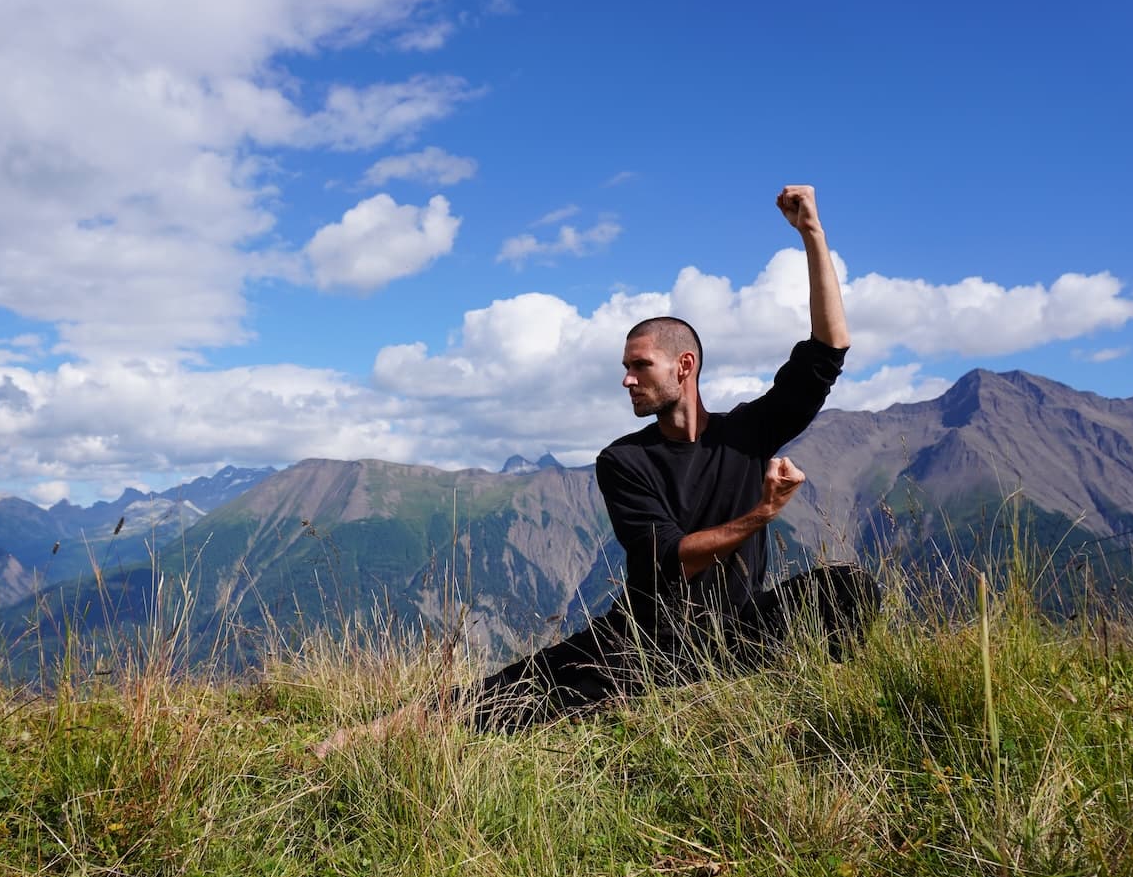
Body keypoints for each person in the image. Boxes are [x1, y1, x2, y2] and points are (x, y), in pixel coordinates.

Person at [314, 185, 879, 755]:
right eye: (625, 367)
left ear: (684, 366)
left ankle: (792, 700)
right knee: (503, 697)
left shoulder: (746, 433)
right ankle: (365, 735)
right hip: (644, 644)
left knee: (848, 588)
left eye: (640, 365)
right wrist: (763, 512)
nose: (627, 379)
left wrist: (812, 233)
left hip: (735, 632)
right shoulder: (624, 460)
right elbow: (672, 559)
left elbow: (827, 351)